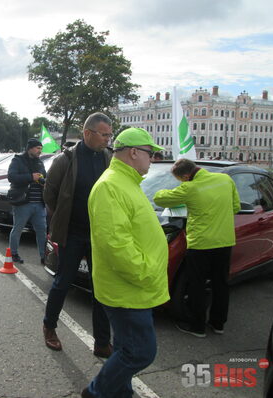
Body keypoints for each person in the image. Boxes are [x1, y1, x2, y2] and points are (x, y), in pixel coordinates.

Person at [82, 128, 169, 398]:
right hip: (128, 289)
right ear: (133, 152)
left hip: (132, 287)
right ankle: (96, 393)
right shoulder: (111, 185)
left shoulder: (126, 182)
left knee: (125, 349)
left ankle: (121, 394)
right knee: (140, 352)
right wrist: (145, 273)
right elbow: (115, 244)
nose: (152, 159)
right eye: (150, 153)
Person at [42, 112, 113, 357]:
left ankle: (102, 342)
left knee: (101, 288)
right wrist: (63, 219)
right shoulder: (66, 160)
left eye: (109, 135)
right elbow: (49, 194)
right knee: (62, 283)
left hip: (98, 234)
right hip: (73, 234)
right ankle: (49, 327)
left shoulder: (107, 157)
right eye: (104, 134)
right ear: (87, 133)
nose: (108, 139)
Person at [153, 158, 240, 337]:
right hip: (224, 242)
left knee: (197, 285)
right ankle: (218, 324)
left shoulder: (189, 188)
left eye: (181, 180)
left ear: (186, 176)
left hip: (200, 244)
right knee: (221, 284)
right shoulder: (226, 180)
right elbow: (236, 207)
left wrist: (169, 189)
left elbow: (159, 199)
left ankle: (197, 327)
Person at [7, 138, 47, 264]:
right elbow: (11, 177)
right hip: (23, 202)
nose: (39, 151)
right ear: (30, 148)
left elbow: (44, 177)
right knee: (18, 229)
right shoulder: (17, 160)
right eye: (37, 148)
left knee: (42, 231)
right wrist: (30, 177)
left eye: (41, 149)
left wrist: (43, 181)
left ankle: (44, 256)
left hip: (39, 204)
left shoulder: (40, 163)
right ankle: (13, 254)